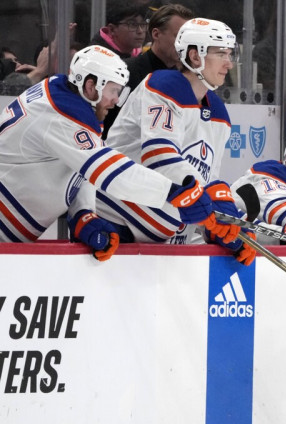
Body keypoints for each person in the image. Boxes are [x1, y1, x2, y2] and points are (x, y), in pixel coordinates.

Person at [0, 45, 222, 260]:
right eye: (113, 90)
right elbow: (111, 173)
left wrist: (83, 213)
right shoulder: (61, 117)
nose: (116, 101)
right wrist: (172, 192)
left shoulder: (66, 96)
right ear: (90, 85)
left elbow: (82, 168)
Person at [94, 19, 250, 263]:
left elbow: (205, 181)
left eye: (231, 54)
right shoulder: (163, 85)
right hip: (115, 225)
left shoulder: (220, 113)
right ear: (195, 56)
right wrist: (213, 197)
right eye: (221, 53)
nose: (229, 63)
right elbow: (160, 158)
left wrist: (218, 226)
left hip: (167, 240)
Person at [102, 4, 195, 139]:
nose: (184, 44)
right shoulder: (123, 73)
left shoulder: (188, 80)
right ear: (156, 34)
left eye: (189, 39)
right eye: (179, 37)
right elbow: (105, 126)